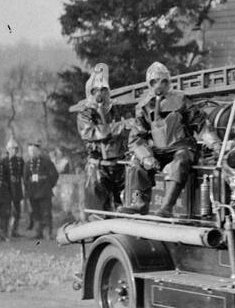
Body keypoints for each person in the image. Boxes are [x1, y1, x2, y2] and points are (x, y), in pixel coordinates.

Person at [128, 61, 198, 216]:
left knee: (181, 161)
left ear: (169, 82)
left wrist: (214, 142)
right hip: (158, 150)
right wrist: (146, 157)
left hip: (181, 146)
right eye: (154, 81)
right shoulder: (143, 106)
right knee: (137, 162)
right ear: (149, 83)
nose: (159, 85)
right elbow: (136, 138)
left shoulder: (182, 99)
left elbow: (200, 122)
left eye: (164, 81)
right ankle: (140, 203)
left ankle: (167, 206)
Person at [77, 65, 128, 212]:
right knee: (98, 210)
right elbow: (90, 133)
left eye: (104, 90)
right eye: (96, 90)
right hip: (98, 166)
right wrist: (117, 128)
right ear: (90, 92)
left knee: (124, 207)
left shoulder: (117, 109)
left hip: (120, 164)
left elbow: (131, 126)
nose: (100, 94)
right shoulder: (85, 113)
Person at [24, 140, 60, 239]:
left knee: (46, 212)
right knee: (36, 213)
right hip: (33, 192)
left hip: (44, 191)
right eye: (30, 151)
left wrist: (48, 186)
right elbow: (25, 179)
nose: (32, 153)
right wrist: (29, 189)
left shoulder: (46, 162)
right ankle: (38, 232)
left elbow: (54, 175)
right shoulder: (27, 164)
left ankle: (49, 232)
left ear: (38, 151)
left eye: (34, 151)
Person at [4, 138, 26, 238]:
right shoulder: (4, 161)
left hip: (17, 189)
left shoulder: (20, 160)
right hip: (7, 190)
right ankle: (5, 231)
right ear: (7, 149)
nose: (14, 150)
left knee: (17, 212)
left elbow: (24, 175)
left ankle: (14, 230)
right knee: (7, 212)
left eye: (15, 149)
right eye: (12, 148)